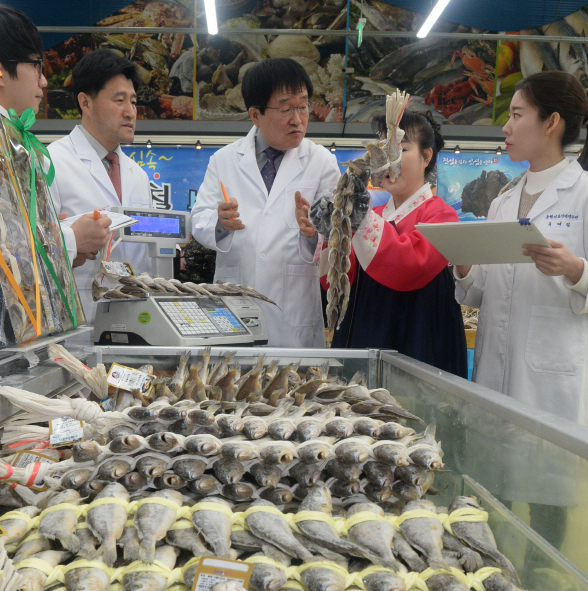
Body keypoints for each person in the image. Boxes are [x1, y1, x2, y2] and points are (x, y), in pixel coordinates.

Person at [455, 71, 588, 424]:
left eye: (516, 115)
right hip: (494, 373)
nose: (505, 128)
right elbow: (483, 292)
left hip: (551, 381)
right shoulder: (503, 202)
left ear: (552, 123)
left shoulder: (583, 194)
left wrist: (575, 270)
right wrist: (465, 266)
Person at [297, 110, 467, 376]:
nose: (389, 162)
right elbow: (338, 285)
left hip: (415, 339)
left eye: (402, 150)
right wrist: (332, 235)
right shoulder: (372, 217)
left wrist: (359, 220)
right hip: (362, 335)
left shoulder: (440, 214)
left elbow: (409, 267)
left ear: (426, 156)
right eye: (383, 153)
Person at [0, 5, 110, 281]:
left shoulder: (3, 138)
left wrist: (55, 238)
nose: (44, 81)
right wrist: (69, 240)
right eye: (37, 66)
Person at [191, 58, 340, 349]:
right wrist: (220, 224)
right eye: (285, 109)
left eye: (303, 106)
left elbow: (335, 237)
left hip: (293, 320)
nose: (297, 119)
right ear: (255, 115)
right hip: (235, 311)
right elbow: (198, 220)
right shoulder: (224, 160)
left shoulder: (322, 162)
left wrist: (313, 233)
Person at [48, 49, 153, 322]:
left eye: (133, 101)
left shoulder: (138, 176)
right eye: (119, 100)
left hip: (136, 321)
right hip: (78, 318)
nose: (130, 111)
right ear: (85, 102)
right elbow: (35, 248)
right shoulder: (51, 162)